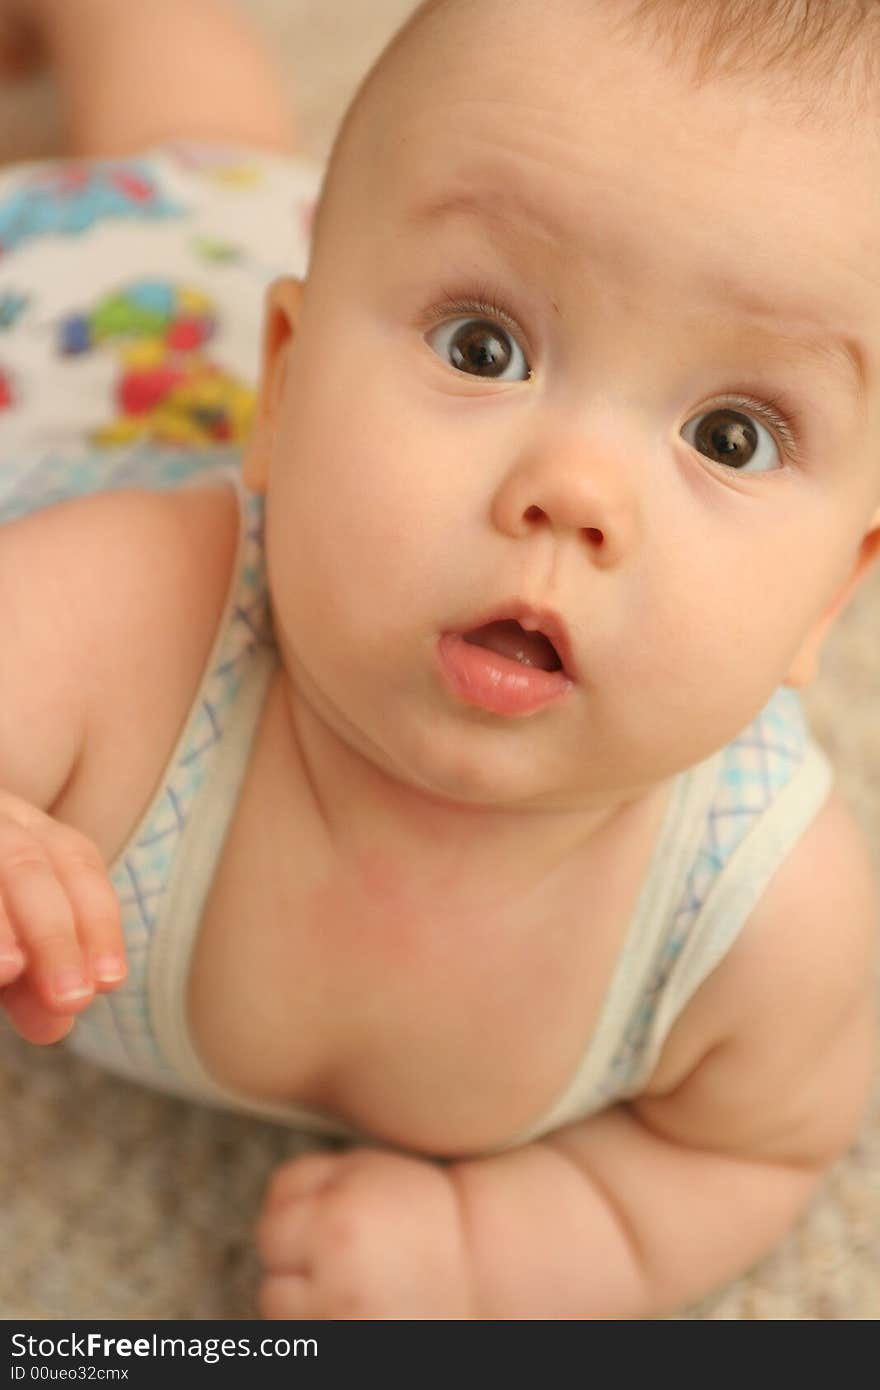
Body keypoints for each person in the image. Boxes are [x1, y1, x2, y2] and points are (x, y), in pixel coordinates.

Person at [0, 0, 877, 1320]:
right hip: (88, 332)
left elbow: (743, 1148)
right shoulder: (121, 619)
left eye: (732, 435)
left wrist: (493, 1250)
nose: (572, 489)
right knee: (192, 156)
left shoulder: (759, 923)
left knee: (245, 172)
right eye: (485, 346)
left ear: (835, 594)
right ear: (284, 395)